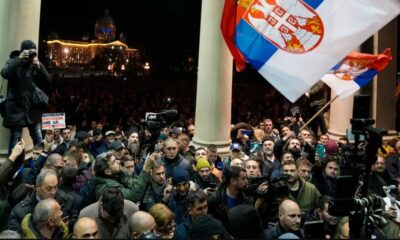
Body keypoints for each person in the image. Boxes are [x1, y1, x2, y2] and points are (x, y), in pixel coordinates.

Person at [1, 40, 51, 154]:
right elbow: (4, 73)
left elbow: (49, 81)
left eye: (34, 52)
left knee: (38, 138)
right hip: (16, 108)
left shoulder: (35, 64)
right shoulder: (14, 61)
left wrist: (40, 67)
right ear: (23, 51)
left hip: (32, 108)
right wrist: (19, 59)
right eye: (30, 52)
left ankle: (41, 160)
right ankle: (11, 166)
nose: (33, 55)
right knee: (15, 139)